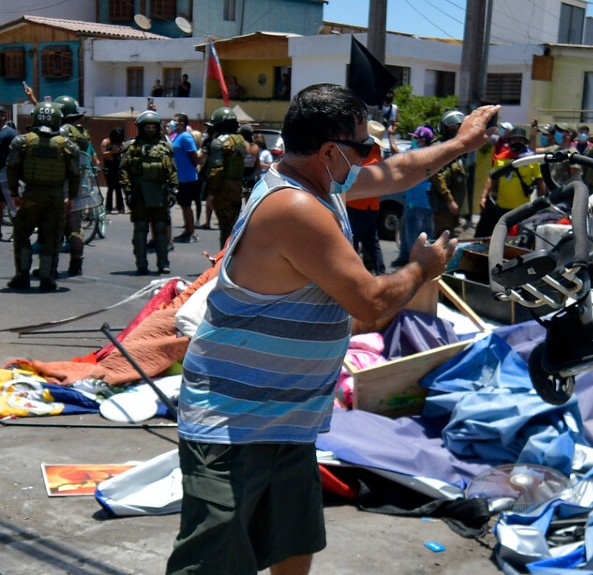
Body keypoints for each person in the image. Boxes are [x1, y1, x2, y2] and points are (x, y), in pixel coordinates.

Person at [165, 84, 496, 575]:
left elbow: (398, 173)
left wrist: (461, 144)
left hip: (287, 417)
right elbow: (372, 301)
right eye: (362, 148)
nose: (369, 159)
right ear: (328, 151)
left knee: (292, 542)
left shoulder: (319, 182)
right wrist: (422, 267)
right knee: (212, 561)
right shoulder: (295, 208)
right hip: (234, 421)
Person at [6, 103, 80, 291]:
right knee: (51, 237)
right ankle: (47, 279)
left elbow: (11, 169)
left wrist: (14, 193)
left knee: (22, 234)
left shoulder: (23, 142)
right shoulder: (66, 145)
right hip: (55, 196)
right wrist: (71, 197)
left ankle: (22, 276)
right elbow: (75, 174)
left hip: (30, 194)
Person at [120, 110, 177, 275]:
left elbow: (172, 170)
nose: (150, 129)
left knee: (160, 228)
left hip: (160, 193)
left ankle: (163, 263)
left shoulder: (166, 147)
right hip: (139, 194)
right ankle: (141, 263)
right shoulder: (132, 147)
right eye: (147, 126)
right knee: (140, 228)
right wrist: (128, 191)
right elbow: (124, 170)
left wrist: (173, 190)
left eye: (153, 126)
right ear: (141, 128)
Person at [55, 95, 98, 277]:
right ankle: (76, 264)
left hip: (62, 182)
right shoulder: (82, 132)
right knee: (76, 228)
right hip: (79, 183)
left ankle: (50, 267)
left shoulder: (62, 131)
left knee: (56, 226)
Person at [476, 127, 546, 236]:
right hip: (502, 209)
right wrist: (483, 196)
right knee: (500, 237)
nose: (517, 142)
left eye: (520, 139)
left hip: (523, 210)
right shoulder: (501, 158)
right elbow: (492, 178)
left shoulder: (531, 159)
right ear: (509, 142)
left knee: (519, 239)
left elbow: (539, 181)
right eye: (514, 139)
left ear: (524, 142)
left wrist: (541, 204)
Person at [347, 121, 392, 274]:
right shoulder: (376, 157)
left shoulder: (368, 159)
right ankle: (380, 272)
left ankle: (350, 273)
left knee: (351, 242)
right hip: (370, 206)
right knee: (371, 243)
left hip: (358, 206)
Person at [393, 126, 438, 268]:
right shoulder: (430, 155)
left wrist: (390, 136)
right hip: (421, 201)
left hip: (418, 202)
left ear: (422, 140)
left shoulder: (418, 154)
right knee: (419, 234)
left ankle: (415, 264)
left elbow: (397, 155)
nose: (413, 140)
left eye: (415, 138)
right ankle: (414, 260)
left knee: (414, 235)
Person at [204, 107, 247, 247]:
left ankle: (224, 261)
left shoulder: (219, 143)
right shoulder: (240, 141)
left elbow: (217, 170)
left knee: (225, 228)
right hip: (237, 187)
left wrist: (210, 193)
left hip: (223, 189)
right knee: (233, 226)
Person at [432, 111, 465, 235]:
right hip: (443, 204)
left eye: (457, 127)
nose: (455, 130)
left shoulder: (457, 148)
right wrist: (449, 200)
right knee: (442, 237)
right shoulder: (440, 148)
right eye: (452, 127)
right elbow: (437, 175)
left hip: (454, 206)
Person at [171, 115, 202, 244]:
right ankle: (187, 230)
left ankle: (191, 232)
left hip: (187, 178)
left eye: (175, 121)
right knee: (184, 205)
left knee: (186, 205)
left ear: (182, 123)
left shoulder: (186, 137)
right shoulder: (177, 137)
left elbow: (193, 156)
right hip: (181, 177)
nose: (172, 123)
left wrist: (194, 168)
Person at [0, 111, 18, 240]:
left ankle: (18, 231)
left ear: (3, 117)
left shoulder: (10, 133)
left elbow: (18, 150)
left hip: (7, 175)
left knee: (12, 205)